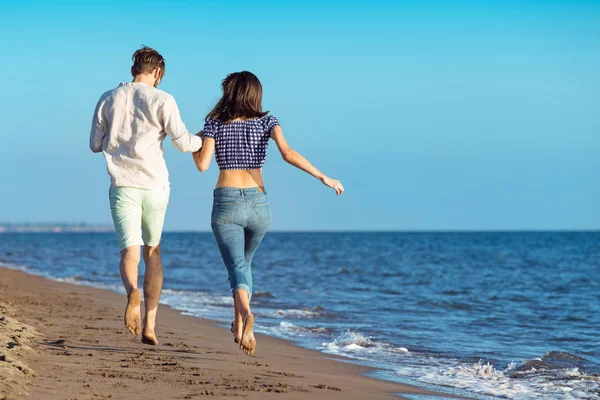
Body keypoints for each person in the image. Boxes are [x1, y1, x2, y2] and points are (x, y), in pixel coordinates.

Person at [192, 71, 343, 356]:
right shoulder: (268, 121)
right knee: (243, 265)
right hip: (259, 205)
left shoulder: (214, 123)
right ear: (255, 94)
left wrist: (193, 144)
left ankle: (247, 314)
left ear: (230, 93)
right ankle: (238, 324)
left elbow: (202, 165)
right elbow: (288, 153)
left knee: (236, 266)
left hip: (226, 203)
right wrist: (325, 178)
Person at [90, 46, 203, 345]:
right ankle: (150, 326)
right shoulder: (163, 99)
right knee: (153, 251)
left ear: (133, 69)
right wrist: (203, 140)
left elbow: (94, 144)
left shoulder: (108, 98)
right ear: (157, 72)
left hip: (123, 185)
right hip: (155, 186)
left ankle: (133, 293)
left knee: (130, 251)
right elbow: (183, 142)